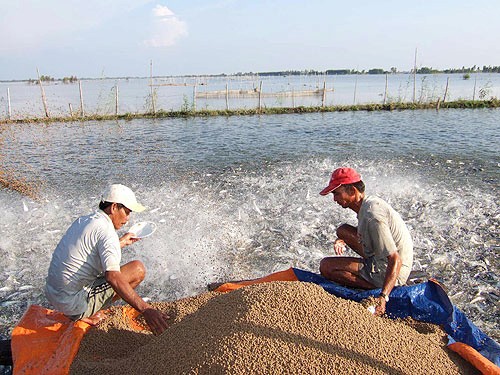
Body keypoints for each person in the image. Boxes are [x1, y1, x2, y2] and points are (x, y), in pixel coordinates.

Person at [45, 184, 169, 335]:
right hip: (70, 303)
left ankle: (82, 308)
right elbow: (113, 277)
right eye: (127, 212)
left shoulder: (84, 220)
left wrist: (121, 242)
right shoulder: (107, 232)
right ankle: (83, 313)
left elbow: (89, 252)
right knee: (137, 269)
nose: (127, 219)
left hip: (54, 293)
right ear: (114, 207)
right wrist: (146, 309)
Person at [319, 167, 413, 316]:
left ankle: (372, 287)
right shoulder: (367, 204)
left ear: (352, 191)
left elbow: (395, 259)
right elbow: (368, 233)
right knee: (343, 230)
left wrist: (383, 297)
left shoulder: (372, 216)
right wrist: (343, 240)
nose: (334, 199)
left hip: (392, 269)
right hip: (382, 258)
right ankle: (374, 279)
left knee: (326, 266)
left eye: (336, 193)